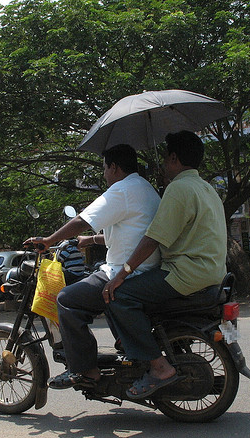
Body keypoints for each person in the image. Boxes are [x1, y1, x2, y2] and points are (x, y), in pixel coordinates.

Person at [103, 130, 228, 400]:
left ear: (173, 157)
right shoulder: (206, 187)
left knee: (119, 296)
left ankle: (158, 367)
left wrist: (122, 274)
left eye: (165, 159)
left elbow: (153, 238)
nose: (162, 165)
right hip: (212, 273)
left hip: (185, 274)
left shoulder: (179, 189)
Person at [24, 144, 161, 389]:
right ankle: (122, 340)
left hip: (128, 271)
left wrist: (48, 241)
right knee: (96, 273)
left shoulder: (122, 190)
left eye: (105, 168)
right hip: (144, 266)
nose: (104, 174)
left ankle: (87, 370)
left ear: (115, 167)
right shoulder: (144, 188)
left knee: (67, 299)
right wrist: (90, 240)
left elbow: (82, 220)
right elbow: (127, 233)